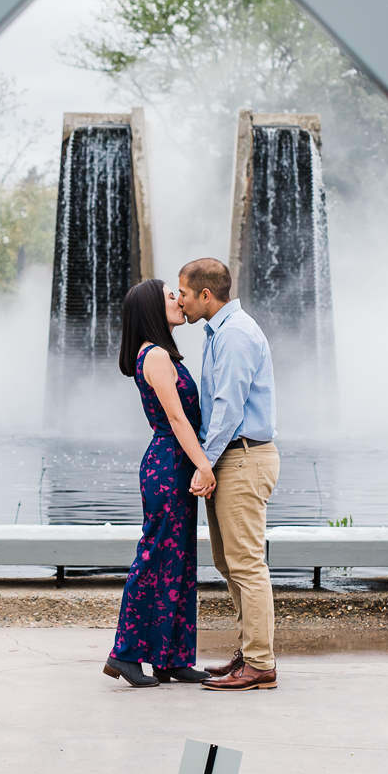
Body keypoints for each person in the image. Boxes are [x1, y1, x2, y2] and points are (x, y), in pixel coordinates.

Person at [104, 278, 216, 688]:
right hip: (169, 464)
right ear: (154, 308)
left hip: (176, 464)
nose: (179, 299)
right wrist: (204, 466)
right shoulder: (153, 356)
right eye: (172, 295)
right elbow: (176, 419)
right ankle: (125, 654)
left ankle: (171, 658)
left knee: (180, 562)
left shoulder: (164, 354)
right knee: (154, 557)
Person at [176, 257, 280, 690]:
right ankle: (249, 654)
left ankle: (260, 664)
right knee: (229, 562)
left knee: (246, 564)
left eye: (182, 293)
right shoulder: (220, 332)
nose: (178, 301)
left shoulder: (234, 334)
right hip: (233, 457)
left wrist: (204, 464)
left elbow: (228, 407)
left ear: (205, 294)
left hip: (241, 456)